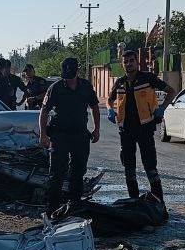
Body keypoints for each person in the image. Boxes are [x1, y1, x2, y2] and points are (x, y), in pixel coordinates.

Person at [108, 48, 175, 210]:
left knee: (150, 167)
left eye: (132, 60)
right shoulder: (120, 82)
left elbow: (171, 91)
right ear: (122, 64)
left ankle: (160, 205)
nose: (129, 64)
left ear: (137, 62)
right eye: (126, 61)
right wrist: (111, 110)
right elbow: (110, 100)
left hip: (145, 129)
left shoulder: (148, 79)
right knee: (129, 169)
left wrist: (162, 108)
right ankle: (134, 205)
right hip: (126, 132)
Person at [39, 57, 100, 213]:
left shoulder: (86, 86)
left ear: (77, 71)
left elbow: (94, 107)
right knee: (57, 173)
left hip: (80, 135)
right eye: (65, 75)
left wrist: (96, 129)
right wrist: (43, 135)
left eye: (71, 74)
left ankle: (74, 207)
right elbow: (44, 111)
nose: (68, 78)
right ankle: (52, 209)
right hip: (59, 135)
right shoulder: (55, 88)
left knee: (78, 172)